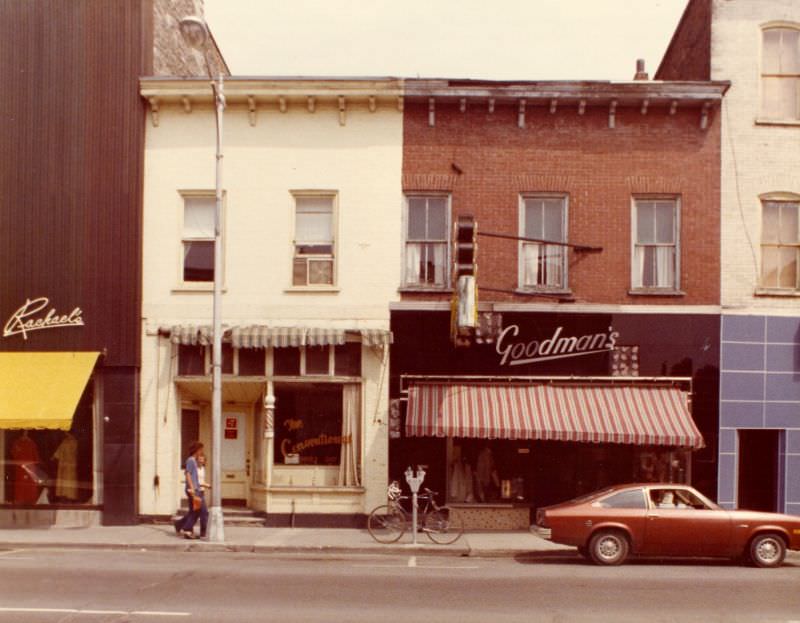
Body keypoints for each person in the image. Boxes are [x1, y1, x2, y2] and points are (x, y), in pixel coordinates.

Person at [177, 441, 208, 539]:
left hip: (195, 488)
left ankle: (180, 525)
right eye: (201, 450)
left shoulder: (194, 460)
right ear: (197, 450)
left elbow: (194, 477)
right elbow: (188, 474)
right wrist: (192, 488)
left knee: (193, 511)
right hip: (193, 489)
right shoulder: (191, 460)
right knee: (200, 511)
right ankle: (187, 529)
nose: (202, 452)